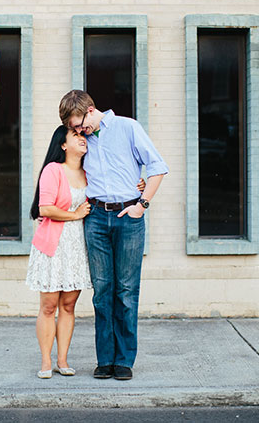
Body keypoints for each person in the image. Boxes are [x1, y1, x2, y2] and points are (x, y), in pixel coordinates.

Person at [59, 89, 168, 381]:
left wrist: (142, 205)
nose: (79, 131)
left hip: (128, 216)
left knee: (127, 290)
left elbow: (157, 166)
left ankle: (124, 360)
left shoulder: (127, 127)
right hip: (95, 217)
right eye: (73, 128)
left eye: (79, 123)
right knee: (102, 290)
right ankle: (105, 359)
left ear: (90, 108)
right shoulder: (83, 141)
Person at [25, 125, 92, 379]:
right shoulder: (54, 170)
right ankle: (45, 361)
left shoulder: (89, 172)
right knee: (49, 306)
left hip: (76, 247)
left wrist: (137, 184)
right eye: (76, 136)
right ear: (63, 145)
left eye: (83, 135)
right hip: (53, 245)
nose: (82, 138)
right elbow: (45, 208)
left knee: (68, 305)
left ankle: (62, 360)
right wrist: (74, 214)